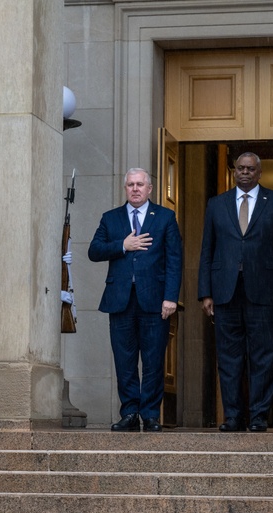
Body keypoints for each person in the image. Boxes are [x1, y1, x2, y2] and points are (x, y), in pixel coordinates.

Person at [198, 152, 273, 432]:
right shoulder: (216, 204)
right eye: (240, 168)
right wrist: (205, 293)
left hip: (265, 291)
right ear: (234, 171)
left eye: (250, 169)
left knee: (263, 355)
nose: (245, 173)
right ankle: (232, 416)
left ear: (259, 173)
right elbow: (207, 250)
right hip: (225, 291)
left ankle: (258, 416)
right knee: (229, 357)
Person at [88, 167, 183, 432]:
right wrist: (122, 246)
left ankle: (150, 414)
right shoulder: (111, 218)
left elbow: (175, 260)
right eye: (130, 185)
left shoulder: (165, 217)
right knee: (125, 360)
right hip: (120, 300)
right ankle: (129, 412)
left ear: (150, 188)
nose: (135, 189)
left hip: (155, 301)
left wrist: (171, 298)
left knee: (153, 361)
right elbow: (94, 251)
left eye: (140, 184)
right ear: (125, 188)